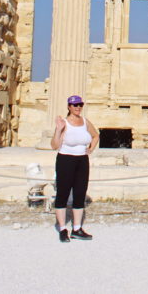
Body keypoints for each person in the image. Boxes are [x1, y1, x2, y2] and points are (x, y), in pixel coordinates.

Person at [51, 95, 99, 242]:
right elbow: (54, 145)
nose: (78, 107)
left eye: (80, 104)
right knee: (63, 193)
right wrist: (58, 130)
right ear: (69, 107)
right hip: (65, 159)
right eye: (75, 105)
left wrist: (90, 149)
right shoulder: (64, 123)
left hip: (82, 160)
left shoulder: (85, 122)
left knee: (80, 193)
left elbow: (95, 135)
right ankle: (62, 228)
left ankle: (77, 228)